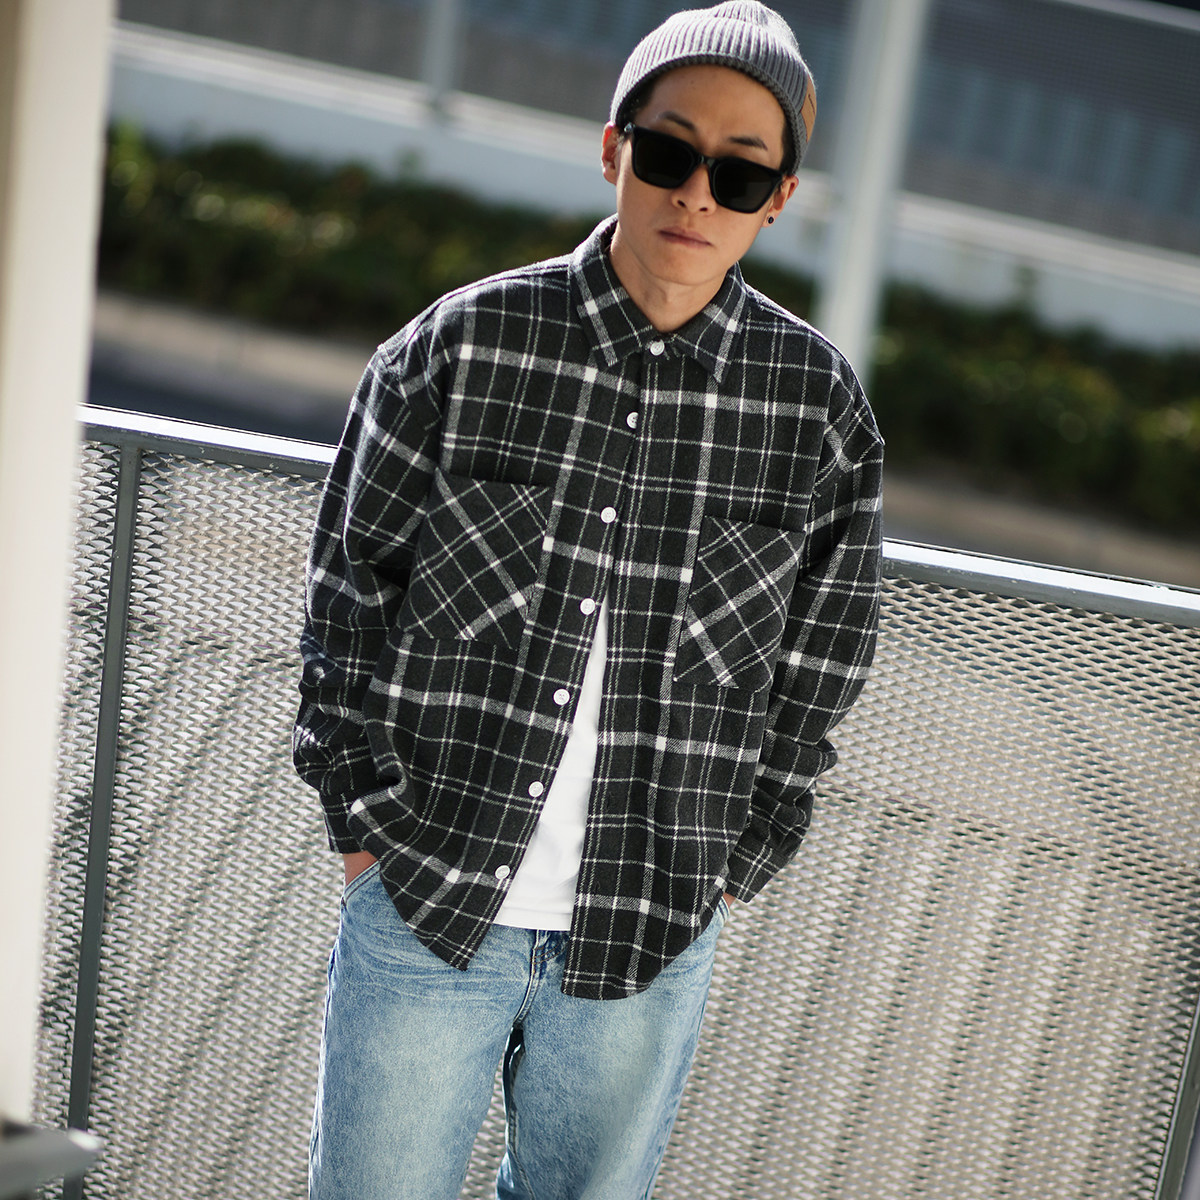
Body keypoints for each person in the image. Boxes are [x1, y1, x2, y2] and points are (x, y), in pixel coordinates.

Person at [293, 3, 883, 1197]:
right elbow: (349, 592)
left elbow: (821, 663)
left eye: (739, 173)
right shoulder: (461, 348)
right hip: (428, 887)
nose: (696, 194)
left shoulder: (815, 410)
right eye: (668, 152)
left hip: (652, 920)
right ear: (614, 148)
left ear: (778, 199)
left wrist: (737, 862)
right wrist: (364, 828)